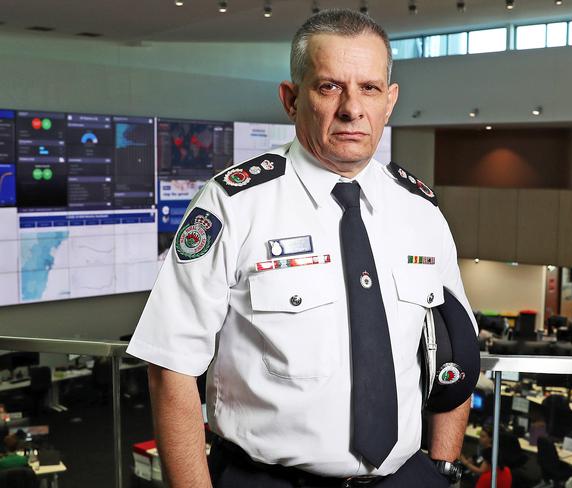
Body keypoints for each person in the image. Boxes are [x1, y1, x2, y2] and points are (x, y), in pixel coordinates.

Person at [127, 8, 479, 488]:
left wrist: (441, 469)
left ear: (390, 101)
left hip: (404, 478)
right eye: (330, 87)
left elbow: (455, 348)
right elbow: (170, 368)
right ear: (291, 99)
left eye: (370, 88)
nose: (353, 108)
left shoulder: (420, 210)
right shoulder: (234, 204)